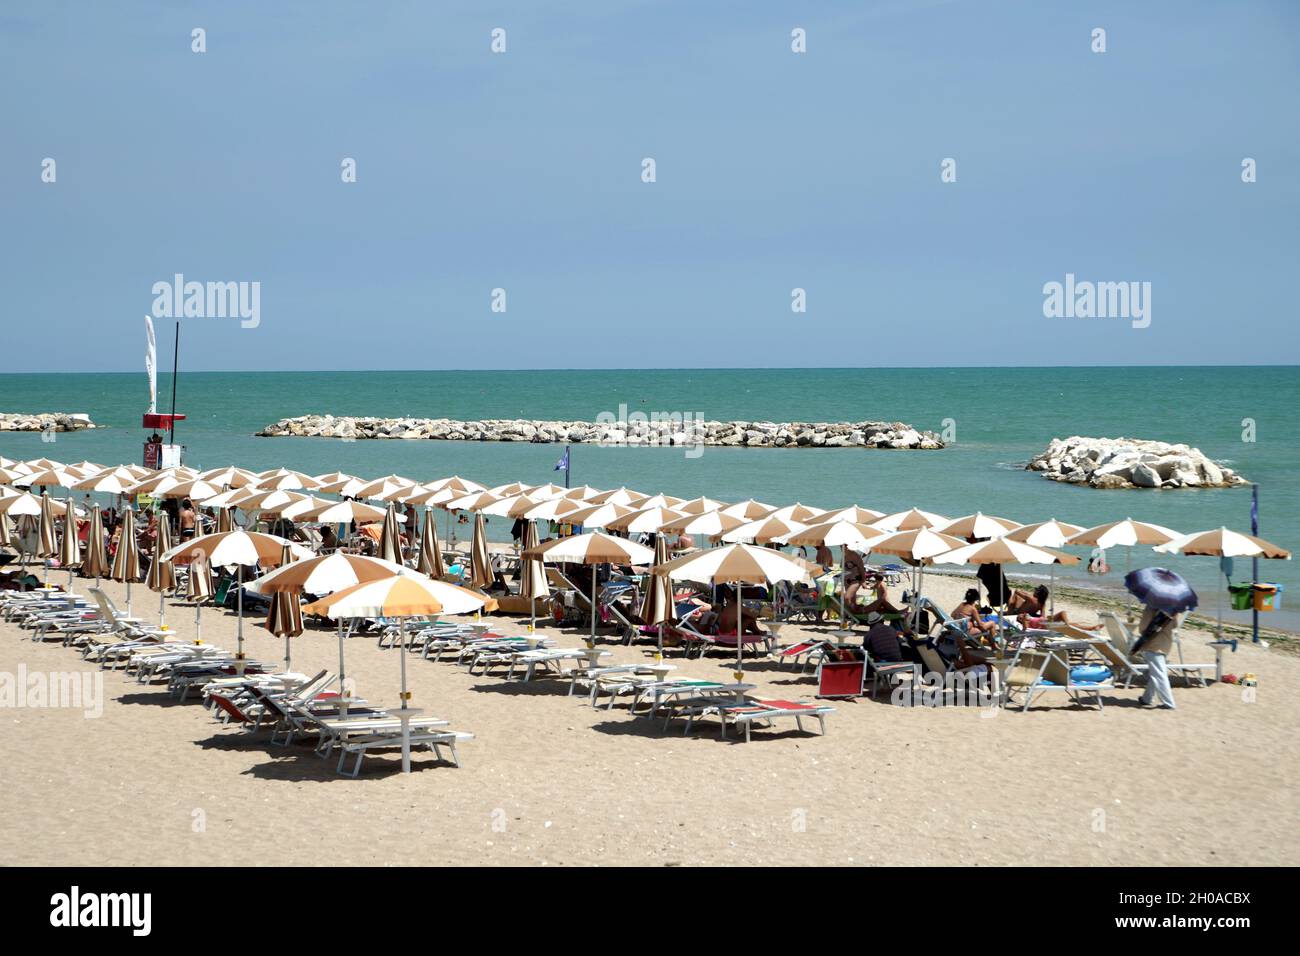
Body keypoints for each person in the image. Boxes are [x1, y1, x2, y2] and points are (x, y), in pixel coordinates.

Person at [1133, 607, 1182, 709]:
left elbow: (1143, 628)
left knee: (1159, 674)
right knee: (1156, 672)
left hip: (1153, 644)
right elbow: (1175, 625)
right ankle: (1147, 698)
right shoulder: (1172, 608)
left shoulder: (1151, 608)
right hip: (1166, 644)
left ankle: (1169, 703)